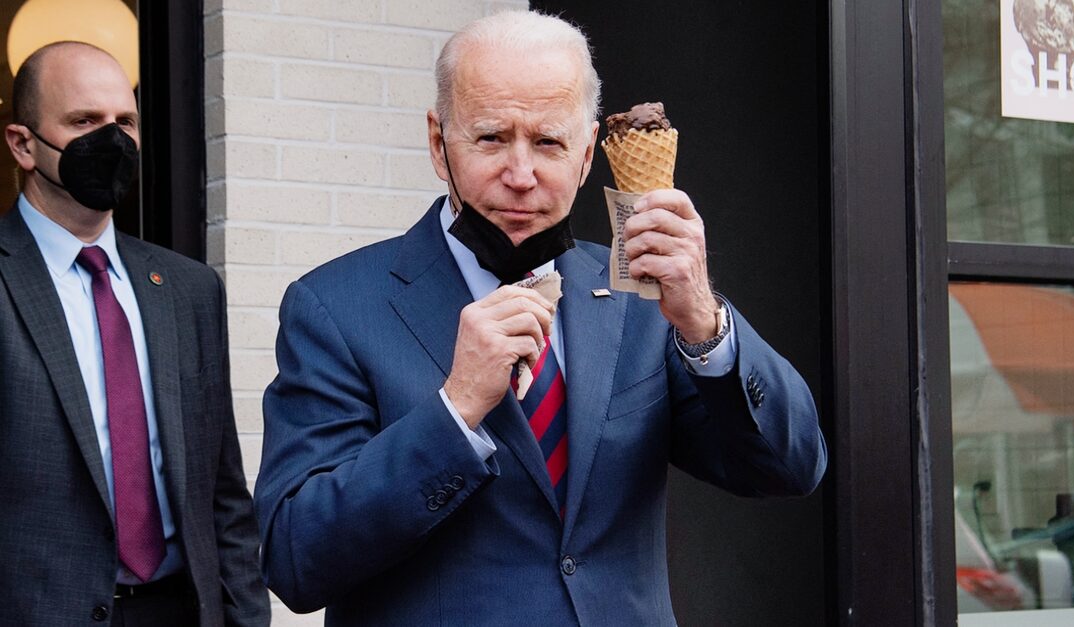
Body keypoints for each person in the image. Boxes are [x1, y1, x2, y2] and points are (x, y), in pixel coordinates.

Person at [254, 10, 826, 625]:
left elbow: (790, 468)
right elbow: (295, 560)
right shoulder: (335, 307)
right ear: (439, 143)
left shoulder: (644, 299)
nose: (521, 176)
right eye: (491, 138)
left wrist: (705, 324)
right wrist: (455, 410)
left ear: (586, 155)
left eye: (549, 142)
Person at [0, 42, 269, 625]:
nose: (111, 139)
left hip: (178, 609)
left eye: (124, 121)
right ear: (23, 144)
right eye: (83, 121)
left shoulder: (189, 289)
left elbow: (222, 490)